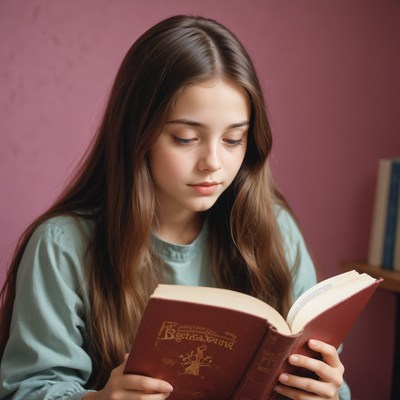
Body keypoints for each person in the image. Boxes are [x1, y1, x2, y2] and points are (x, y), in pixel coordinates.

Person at [0, 15, 350, 400]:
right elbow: (28, 388)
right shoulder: (62, 245)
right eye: (185, 138)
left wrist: (326, 391)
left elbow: (330, 380)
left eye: (234, 139)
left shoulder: (275, 230)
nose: (213, 162)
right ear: (138, 133)